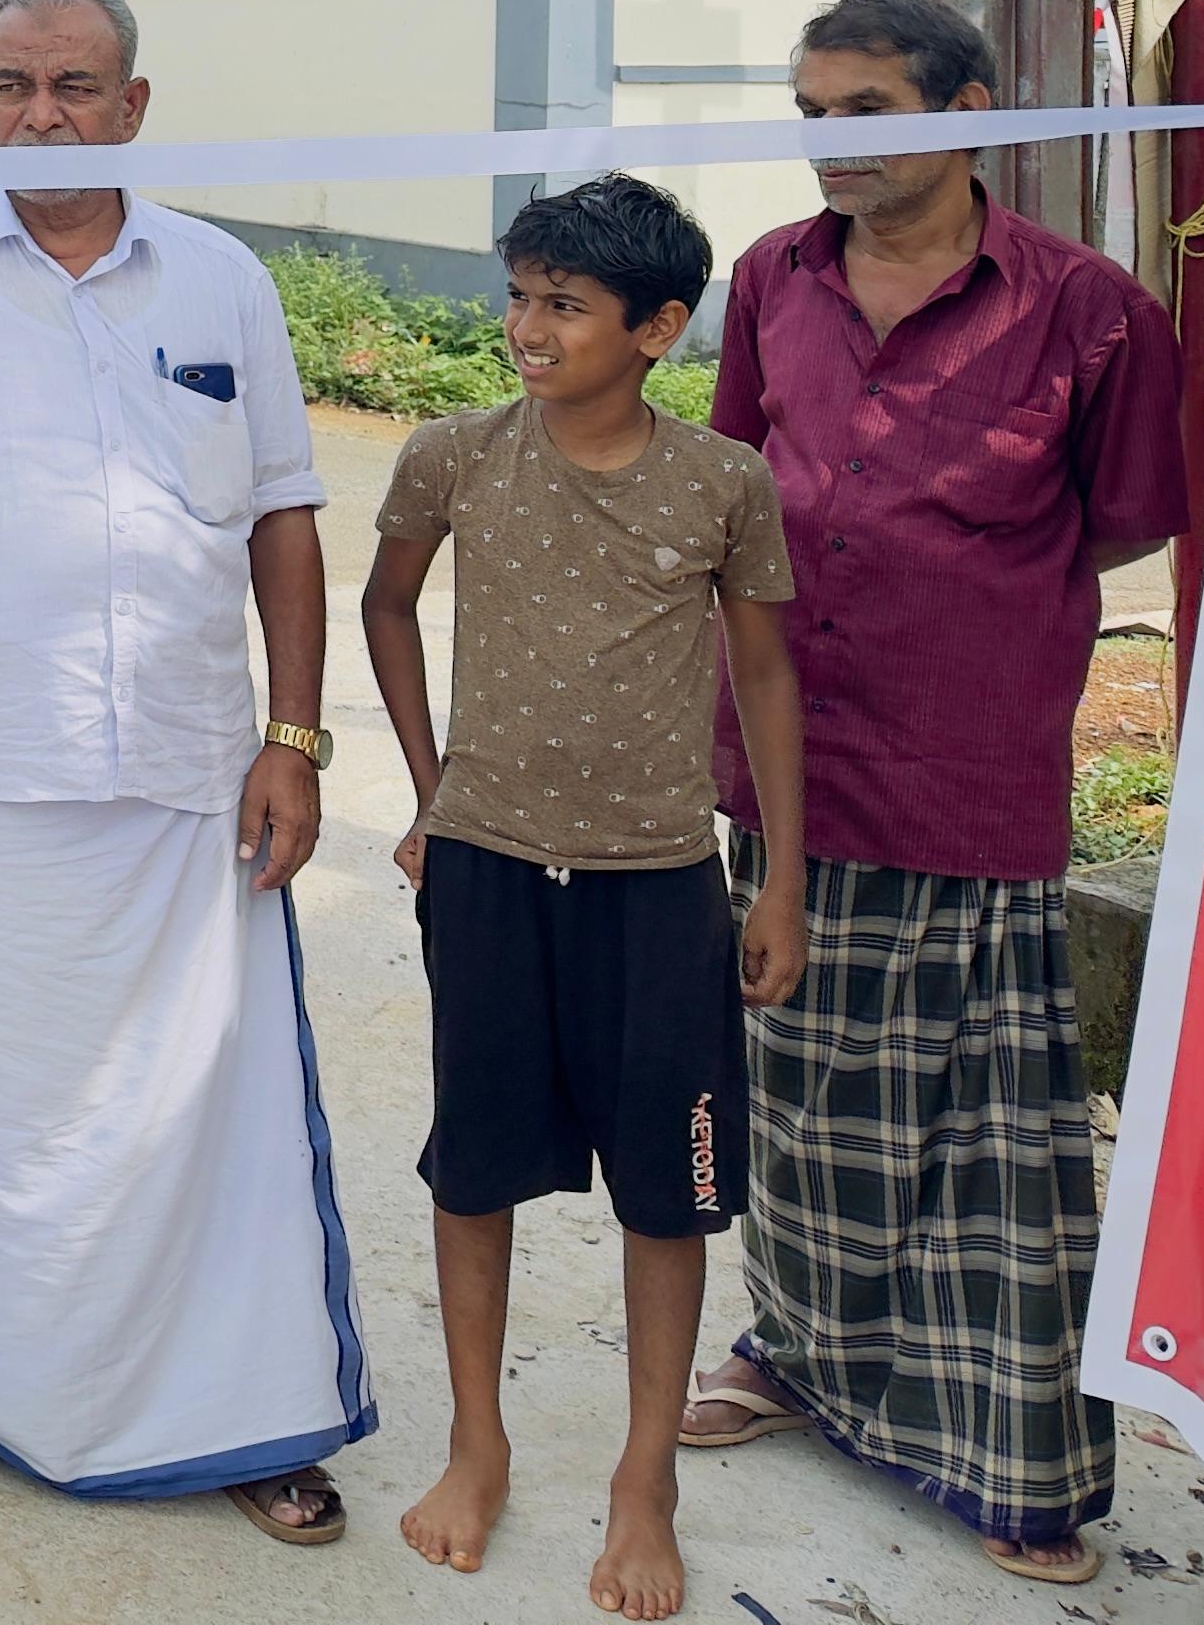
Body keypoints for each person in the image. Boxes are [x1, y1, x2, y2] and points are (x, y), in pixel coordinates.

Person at [0, 0, 374, 1540]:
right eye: (9, 87)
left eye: (75, 87)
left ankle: (243, 1407)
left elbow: (284, 513)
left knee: (210, 1106)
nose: (40, 116)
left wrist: (293, 738)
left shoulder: (223, 283)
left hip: (195, 778)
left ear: (135, 105)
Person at [678, 0, 1194, 1591]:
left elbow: (1124, 518)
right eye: (811, 112)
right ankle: (798, 1358)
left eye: (869, 114)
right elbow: (735, 488)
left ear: (967, 113)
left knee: (990, 1127)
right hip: (782, 760)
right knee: (801, 1088)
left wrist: (959, 592)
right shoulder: (770, 278)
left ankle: (1013, 1460)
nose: (830, 144)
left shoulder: (1090, 309)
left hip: (964, 760)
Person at [360, 175, 809, 1623]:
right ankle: (475, 1442)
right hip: (489, 873)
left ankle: (642, 1476)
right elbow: (386, 604)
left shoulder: (722, 483)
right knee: (474, 1165)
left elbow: (764, 677)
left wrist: (779, 877)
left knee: (668, 1191)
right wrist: (430, 791)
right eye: (522, 295)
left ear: (659, 327)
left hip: (659, 891)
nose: (527, 328)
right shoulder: (456, 455)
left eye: (565, 305)